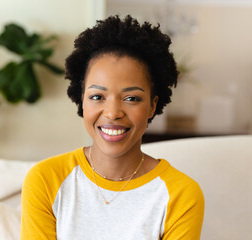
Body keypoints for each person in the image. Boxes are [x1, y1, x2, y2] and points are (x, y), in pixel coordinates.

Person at [21, 15, 204, 240]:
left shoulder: (181, 194)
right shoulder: (45, 179)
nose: (112, 112)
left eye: (132, 98)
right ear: (82, 100)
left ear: (152, 106)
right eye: (97, 96)